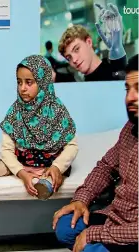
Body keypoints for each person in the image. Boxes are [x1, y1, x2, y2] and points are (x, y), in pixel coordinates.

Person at [52, 54, 138, 252]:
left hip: (133, 231)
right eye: (128, 89)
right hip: (117, 215)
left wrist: (94, 234)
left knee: (89, 248)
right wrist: (81, 199)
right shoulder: (130, 128)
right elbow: (106, 167)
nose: (130, 97)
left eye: (138, 89)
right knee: (65, 228)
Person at [0, 55, 78, 198]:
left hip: (51, 163)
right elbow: (6, 149)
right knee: (8, 159)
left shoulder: (57, 110)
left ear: (43, 82)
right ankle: (1, 168)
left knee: (55, 175)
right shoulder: (15, 111)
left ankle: (46, 183)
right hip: (24, 161)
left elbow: (72, 146)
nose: (22, 88)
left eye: (29, 82)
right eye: (19, 82)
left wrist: (57, 167)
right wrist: (22, 173)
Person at [58, 4, 127, 82]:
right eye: (69, 58)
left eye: (76, 49)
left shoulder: (113, 73)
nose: (74, 60)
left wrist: (119, 56)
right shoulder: (83, 87)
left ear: (89, 42)